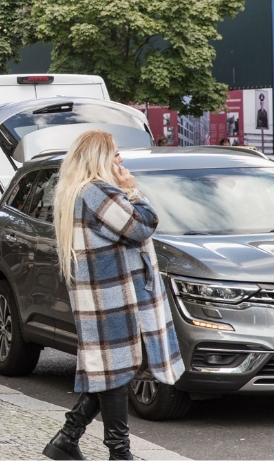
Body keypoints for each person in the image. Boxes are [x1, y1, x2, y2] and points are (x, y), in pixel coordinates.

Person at [43, 130, 183, 460]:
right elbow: (142, 225)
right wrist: (132, 189)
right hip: (112, 297)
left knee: (114, 369)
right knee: (116, 370)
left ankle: (69, 438)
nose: (121, 160)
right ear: (100, 158)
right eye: (116, 154)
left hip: (103, 295)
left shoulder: (77, 192)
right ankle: (118, 453)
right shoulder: (97, 193)